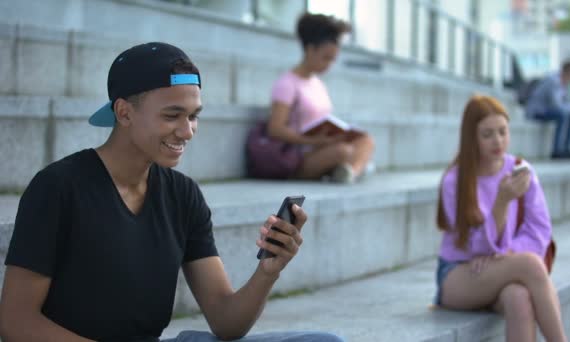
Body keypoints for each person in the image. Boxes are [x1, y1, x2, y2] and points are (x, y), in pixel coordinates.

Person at [0, 42, 343, 342]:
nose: (187, 131)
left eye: (194, 116)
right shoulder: (58, 187)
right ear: (124, 112)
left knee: (325, 341)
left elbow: (226, 322)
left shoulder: (183, 194)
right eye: (172, 115)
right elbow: (15, 322)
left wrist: (269, 271)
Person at [435, 95, 567, 342]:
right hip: (460, 273)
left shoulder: (520, 170)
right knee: (529, 264)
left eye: (503, 131)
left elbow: (539, 229)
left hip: (502, 267)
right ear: (471, 137)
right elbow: (475, 249)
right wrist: (501, 201)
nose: (498, 141)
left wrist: (505, 255)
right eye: (487, 134)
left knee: (518, 297)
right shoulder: (455, 180)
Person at [266, 13, 375, 184]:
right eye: (326, 58)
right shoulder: (286, 83)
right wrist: (312, 140)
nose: (329, 64)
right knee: (343, 152)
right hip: (298, 155)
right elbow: (275, 128)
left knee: (366, 140)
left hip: (322, 146)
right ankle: (351, 169)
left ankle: (349, 172)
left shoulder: (318, 84)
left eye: (332, 60)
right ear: (310, 49)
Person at [525, 60, 570, 160]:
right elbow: (556, 105)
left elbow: (567, 102)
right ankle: (557, 151)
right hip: (537, 111)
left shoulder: (564, 84)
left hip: (549, 110)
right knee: (563, 114)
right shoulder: (553, 81)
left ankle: (566, 150)